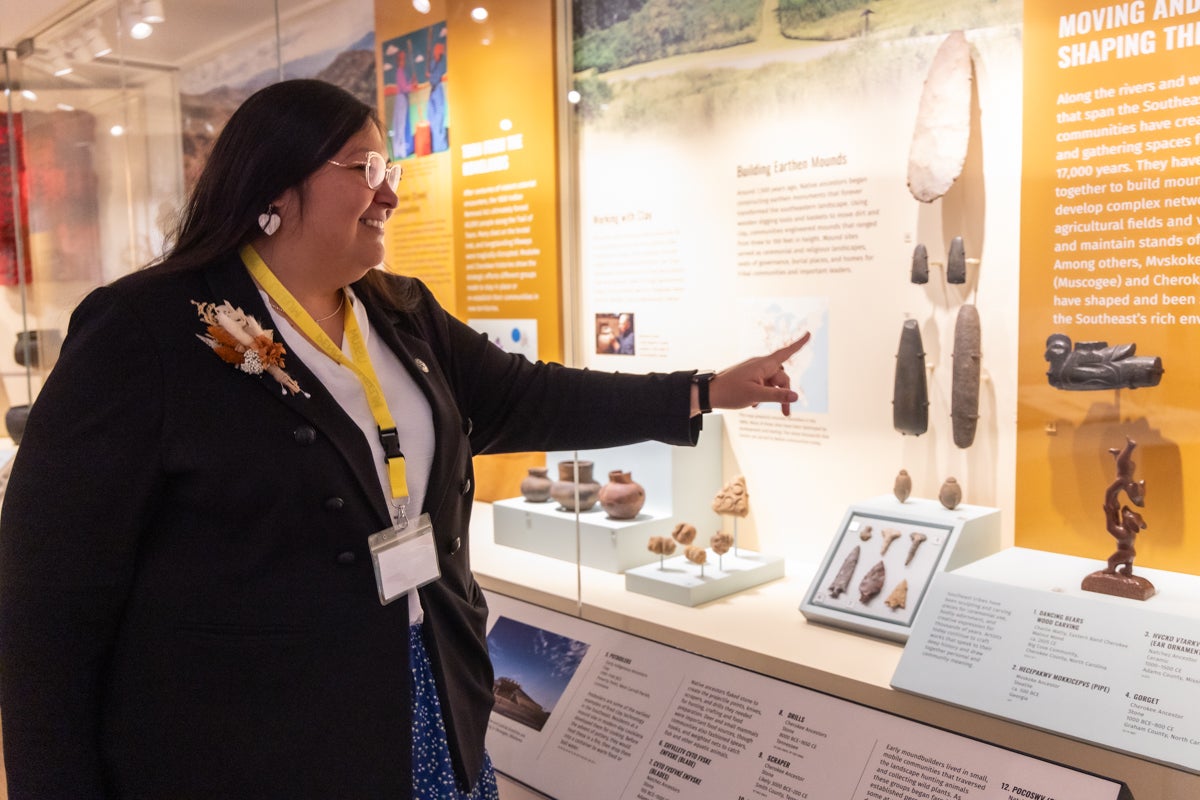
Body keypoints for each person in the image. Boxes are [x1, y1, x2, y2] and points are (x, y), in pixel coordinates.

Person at [0, 79, 806, 800]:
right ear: (276, 187)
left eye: (391, 172)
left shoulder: (398, 312)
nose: (388, 195)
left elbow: (531, 397)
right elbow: (48, 602)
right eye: (365, 170)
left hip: (428, 688)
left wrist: (702, 390)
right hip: (253, 734)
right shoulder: (148, 330)